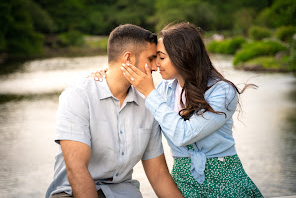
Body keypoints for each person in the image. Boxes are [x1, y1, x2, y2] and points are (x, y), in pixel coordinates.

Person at [106, 22, 264, 197]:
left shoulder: (222, 91)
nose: (156, 64)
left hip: (225, 181)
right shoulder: (164, 91)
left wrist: (150, 93)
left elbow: (184, 135)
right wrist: (105, 76)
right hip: (182, 184)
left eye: (161, 57)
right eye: (154, 57)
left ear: (182, 56)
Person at [45, 24, 184, 198]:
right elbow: (76, 171)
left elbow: (159, 175)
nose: (155, 67)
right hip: (72, 193)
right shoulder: (78, 97)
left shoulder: (149, 105)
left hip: (123, 193)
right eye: (150, 58)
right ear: (128, 59)